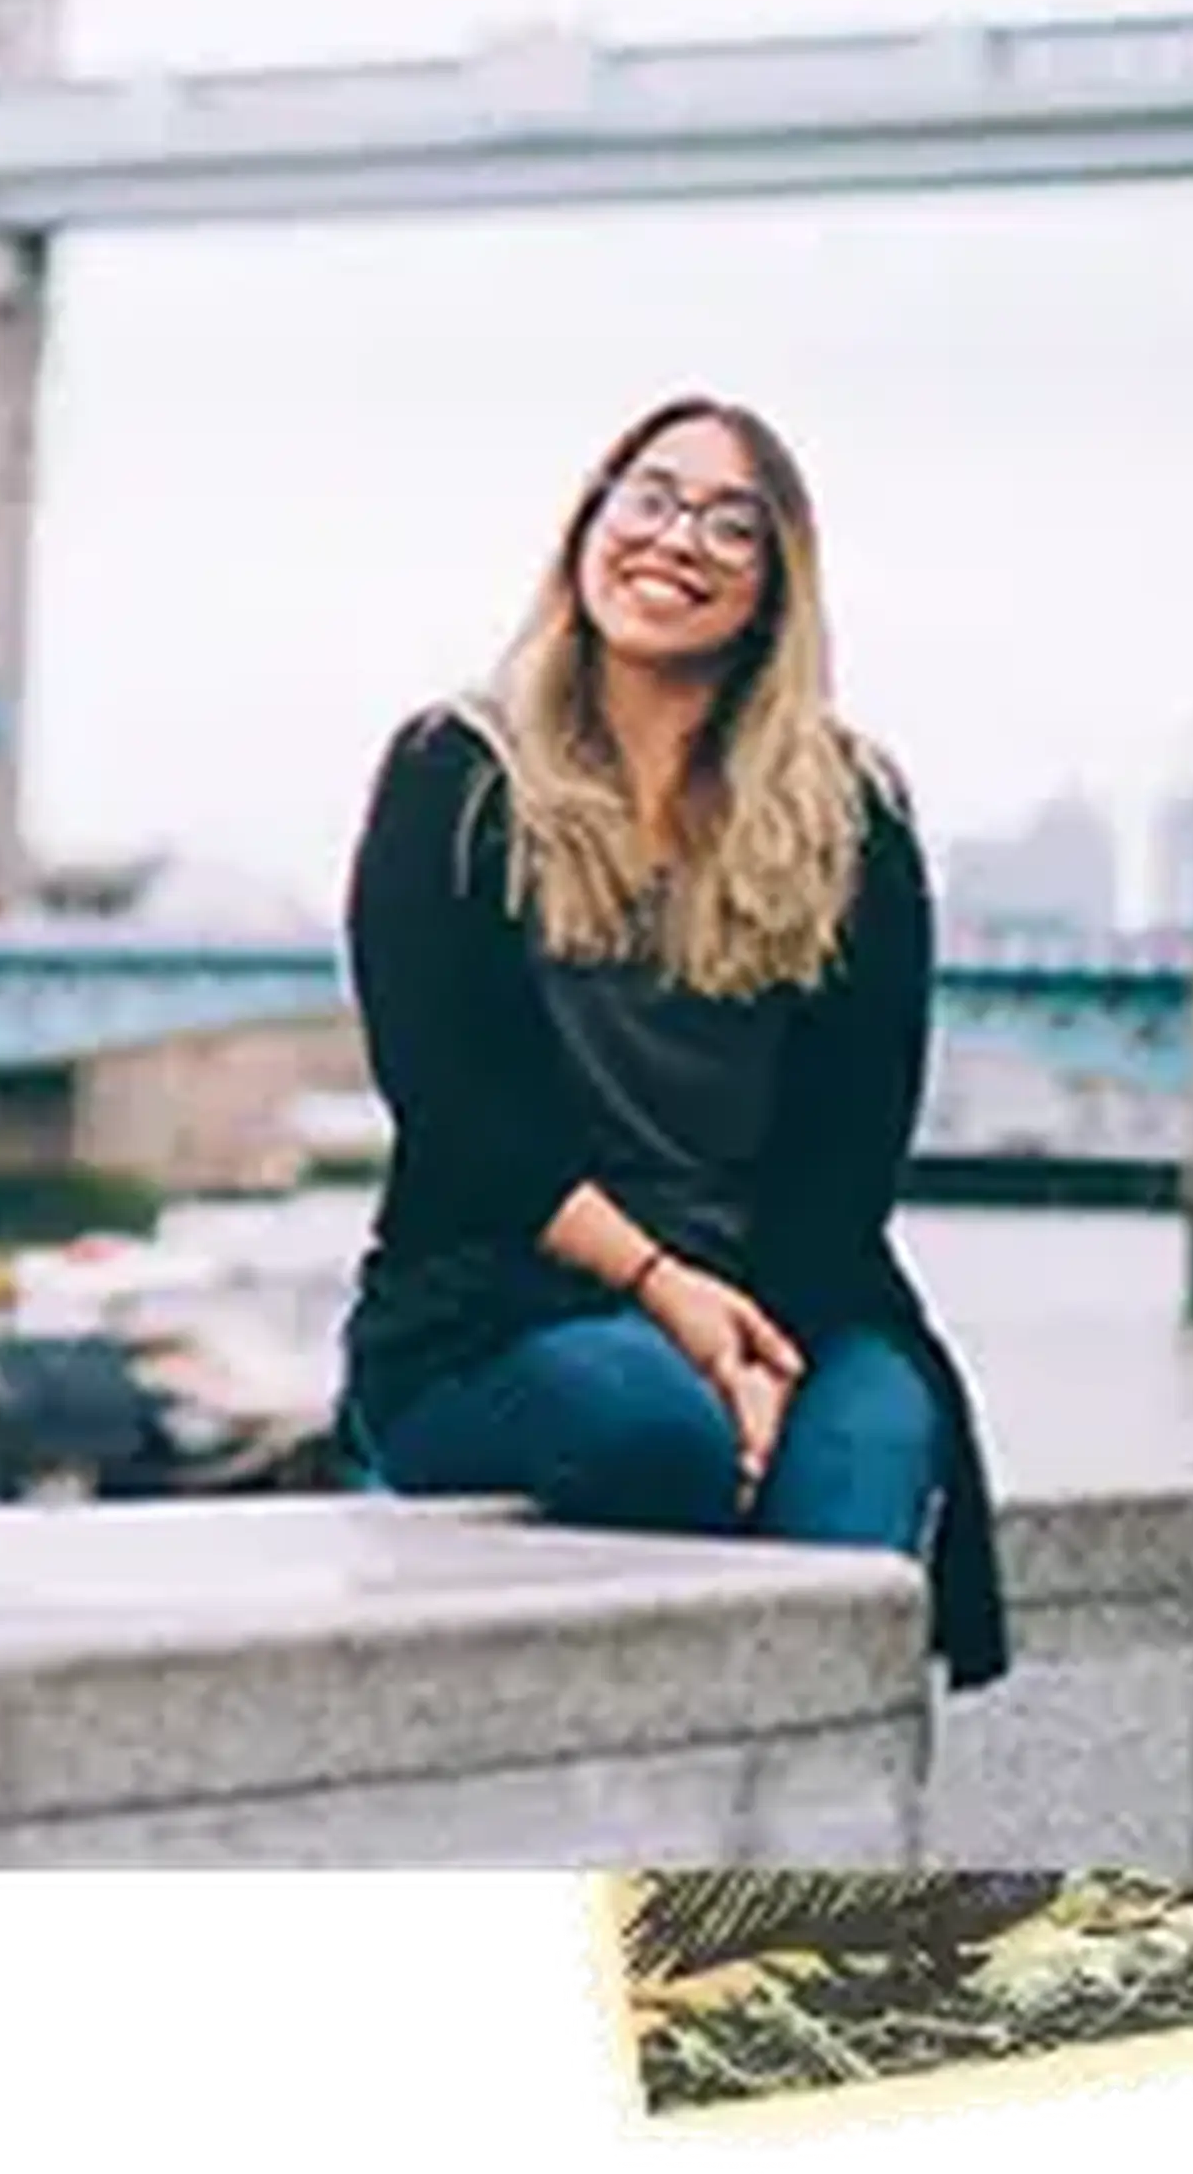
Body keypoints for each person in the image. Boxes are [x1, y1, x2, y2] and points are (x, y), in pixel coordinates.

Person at [332, 395, 1009, 1694]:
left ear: (774, 587)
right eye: (648, 497)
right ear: (589, 522)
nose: (677, 539)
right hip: (503, 1301)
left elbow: (849, 1148)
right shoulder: (455, 774)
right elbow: (459, 1117)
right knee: (653, 1430)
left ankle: (793, 1860)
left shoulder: (850, 812)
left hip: (790, 1294)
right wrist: (670, 1301)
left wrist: (758, 1358)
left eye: (730, 525)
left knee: (869, 1456)